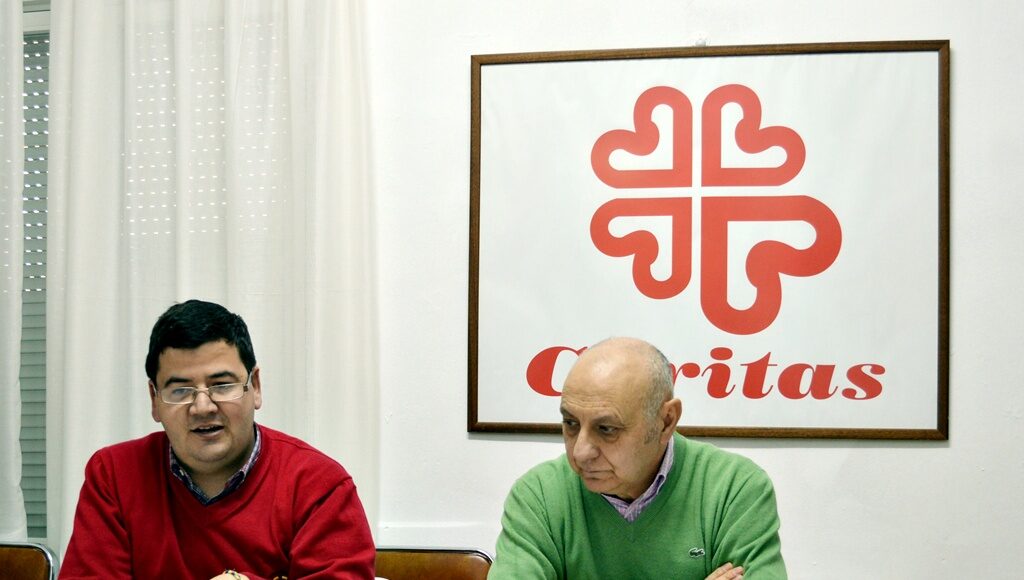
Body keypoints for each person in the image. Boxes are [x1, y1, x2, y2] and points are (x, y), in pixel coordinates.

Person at [60, 299, 375, 579]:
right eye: (180, 390)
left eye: (222, 385)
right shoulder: (113, 475)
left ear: (255, 387)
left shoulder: (319, 486)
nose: (202, 407)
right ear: (154, 400)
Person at [488, 337, 786, 580]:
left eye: (607, 429)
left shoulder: (735, 489)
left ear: (666, 421)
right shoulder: (538, 497)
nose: (580, 452)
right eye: (571, 423)